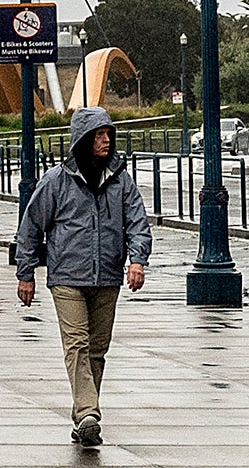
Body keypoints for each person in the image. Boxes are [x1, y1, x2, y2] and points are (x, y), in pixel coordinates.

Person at [9, 107, 150, 448]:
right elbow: (30, 229)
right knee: (77, 345)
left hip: (107, 277)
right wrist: (25, 273)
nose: (106, 140)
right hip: (67, 277)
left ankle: (83, 418)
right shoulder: (56, 182)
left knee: (97, 350)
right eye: (100, 135)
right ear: (83, 140)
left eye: (108, 134)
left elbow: (137, 222)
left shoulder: (121, 181)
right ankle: (89, 412)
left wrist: (138, 260)